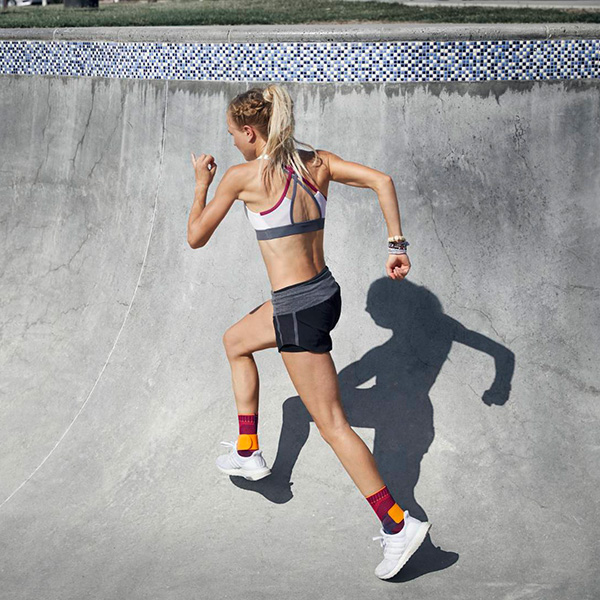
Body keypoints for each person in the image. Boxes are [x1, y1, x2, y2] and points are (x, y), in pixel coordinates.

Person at [187, 84, 430, 580]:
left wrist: (200, 184)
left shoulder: (242, 178)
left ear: (250, 132)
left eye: (234, 134)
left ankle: (397, 524)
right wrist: (396, 245)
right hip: (323, 293)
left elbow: (194, 236)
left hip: (298, 312)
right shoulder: (316, 162)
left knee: (332, 424)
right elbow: (382, 180)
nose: (232, 142)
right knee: (236, 341)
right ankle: (249, 451)